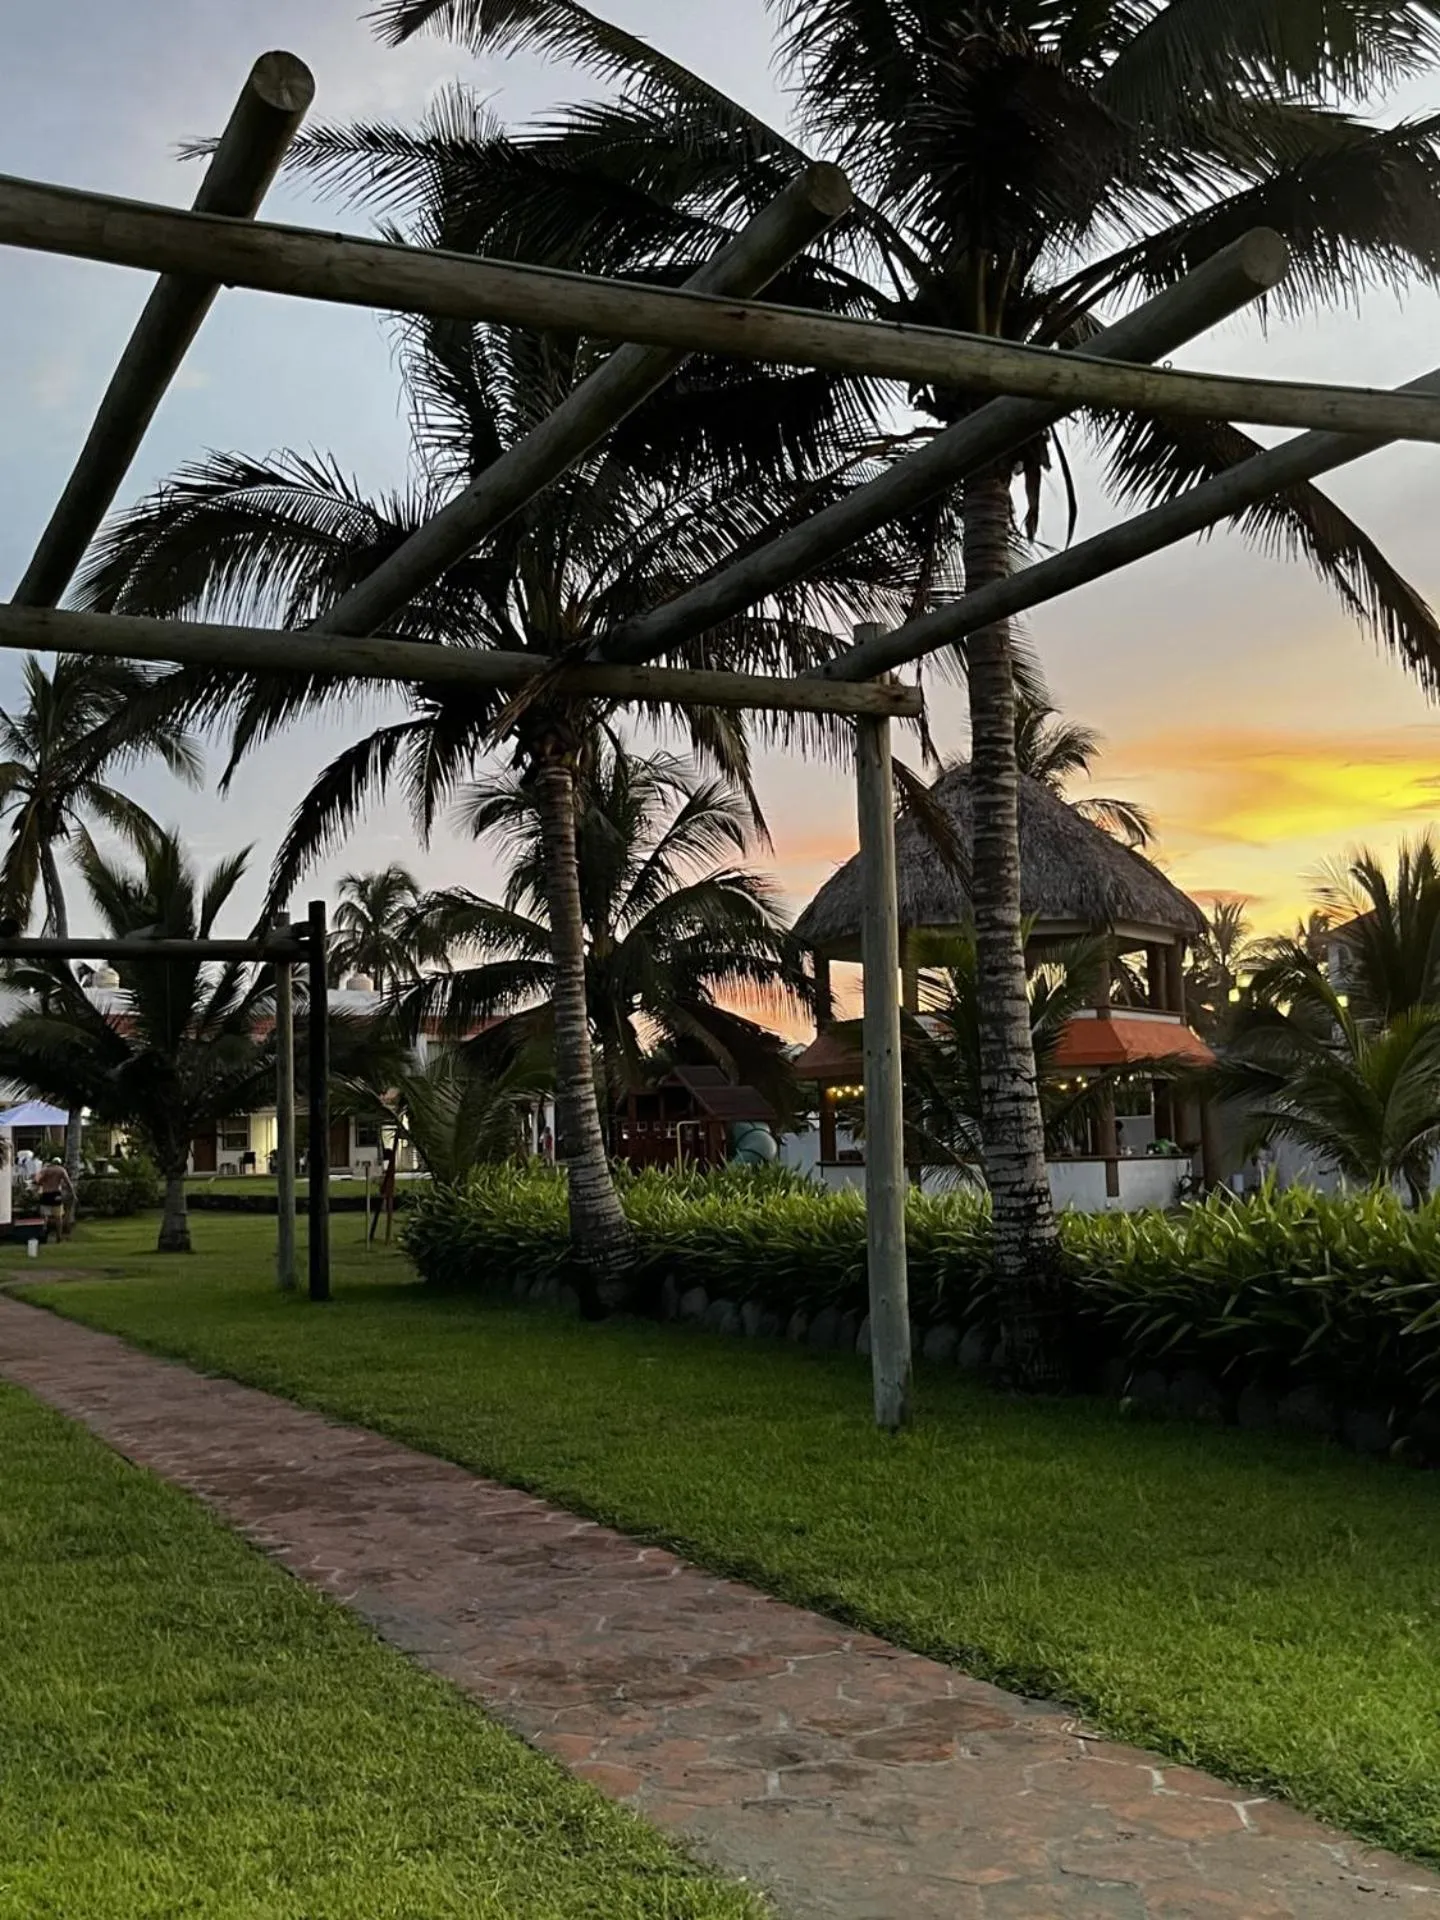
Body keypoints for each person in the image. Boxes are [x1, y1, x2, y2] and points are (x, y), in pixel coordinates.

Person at [34, 1157, 75, 1243]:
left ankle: (43, 1234)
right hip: (56, 1194)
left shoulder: (45, 1170)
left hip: (46, 1194)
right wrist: (73, 1194)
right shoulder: (61, 1170)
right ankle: (59, 1236)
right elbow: (68, 1182)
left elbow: (37, 1180)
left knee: (45, 1216)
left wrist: (43, 1182)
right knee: (58, 1216)